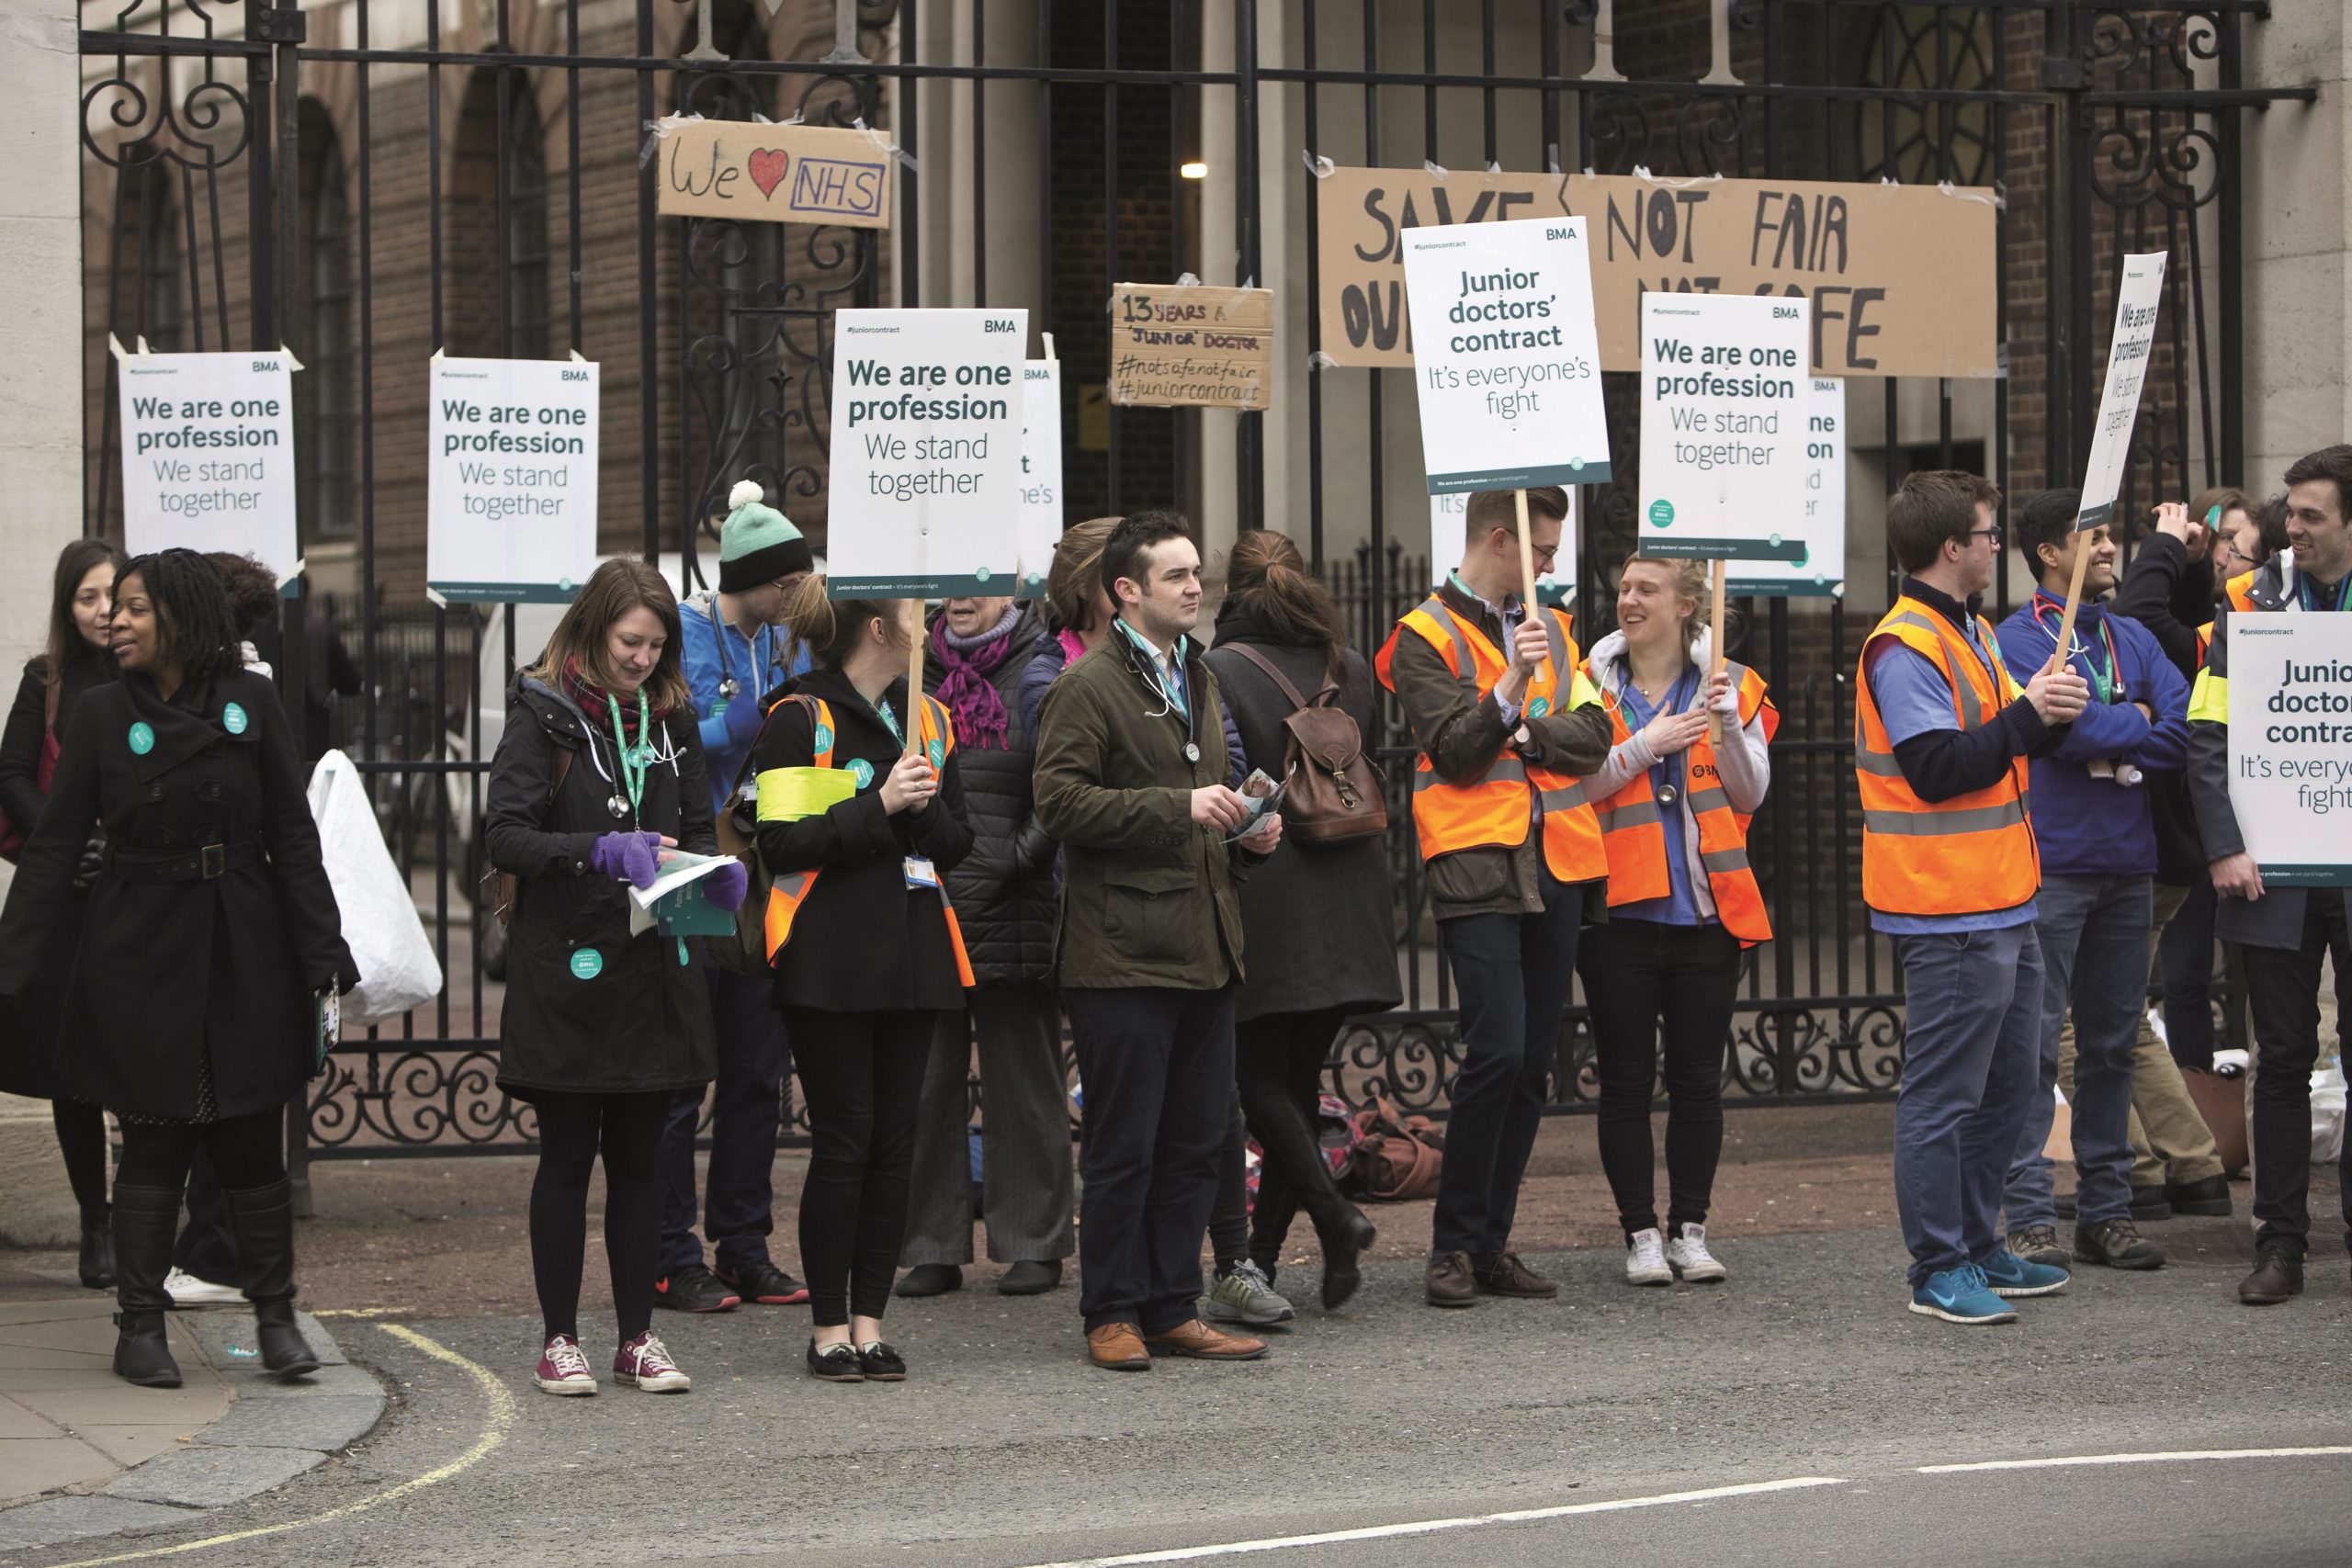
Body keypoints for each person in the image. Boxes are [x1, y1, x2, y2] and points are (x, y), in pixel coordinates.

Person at [0, 548, 354, 1388]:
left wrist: (320, 951)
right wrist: (11, 965)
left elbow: (291, 837)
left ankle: (275, 1315)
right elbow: (51, 850)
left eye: (133, 608)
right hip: (140, 945)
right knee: (154, 1139)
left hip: (239, 939)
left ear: (181, 620)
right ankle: (140, 1325)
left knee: (248, 1140)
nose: (114, 622)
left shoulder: (252, 701)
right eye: (110, 608)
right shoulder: (95, 712)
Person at [1023, 519, 1292, 1330]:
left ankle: (1174, 1306)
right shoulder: (1088, 685)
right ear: (1125, 591)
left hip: (1205, 947)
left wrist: (1246, 829)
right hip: (1121, 956)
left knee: (1195, 1143)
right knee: (1124, 1147)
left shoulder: (1198, 676)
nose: (1194, 586)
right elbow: (1059, 803)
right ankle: (1112, 1312)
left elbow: (1205, 796)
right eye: (1175, 575)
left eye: (1195, 572)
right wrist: (1178, 805)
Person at [486, 558, 738, 1396]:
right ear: (596, 631)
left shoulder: (672, 718)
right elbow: (506, 836)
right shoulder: (544, 714)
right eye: (631, 641)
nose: (642, 659)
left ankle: (638, 1337)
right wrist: (595, 850)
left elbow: (698, 826)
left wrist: (706, 876)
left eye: (657, 644)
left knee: (641, 1161)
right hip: (568, 961)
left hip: (651, 965)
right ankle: (560, 1338)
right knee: (567, 1157)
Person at [1857, 470, 2088, 1326]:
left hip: (2004, 892)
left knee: (2008, 1087)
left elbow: (1998, 743)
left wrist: (2044, 713)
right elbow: (1939, 767)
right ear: (1953, 546)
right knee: (1945, 1093)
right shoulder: (1904, 643)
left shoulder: (1972, 629)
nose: (1998, 547)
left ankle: (1978, 1243)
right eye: (1989, 535)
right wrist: (2031, 716)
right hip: (1946, 903)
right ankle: (1937, 1265)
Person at [1374, 486, 1612, 1309]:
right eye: (1543, 550)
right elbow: (1459, 749)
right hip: (1477, 863)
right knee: (1499, 1049)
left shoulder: (1561, 625)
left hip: (1560, 860)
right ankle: (1451, 1244)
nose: (1551, 566)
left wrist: (1527, 730)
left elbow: (1595, 738)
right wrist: (1512, 686)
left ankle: (1489, 1242)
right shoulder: (1421, 636)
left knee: (1532, 1065)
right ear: (1502, 539)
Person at [748, 581, 972, 1382]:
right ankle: (828, 1327)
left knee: (895, 1144)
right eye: (918, 615)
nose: (932, 625)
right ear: (882, 627)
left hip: (916, 955)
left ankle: (872, 1322)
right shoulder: (802, 718)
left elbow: (956, 841)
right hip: (831, 957)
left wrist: (918, 805)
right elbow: (783, 842)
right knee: (845, 1140)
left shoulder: (931, 719)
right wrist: (878, 801)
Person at [1993, 491, 2189, 1276]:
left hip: (2127, 863)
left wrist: (2108, 724)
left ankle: (2106, 1212)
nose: (2112, 548)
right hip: (2052, 863)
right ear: (2050, 551)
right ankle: (2031, 1215)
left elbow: (2184, 728)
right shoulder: (2011, 639)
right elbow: (2048, 729)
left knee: (2111, 1044)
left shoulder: (2132, 635)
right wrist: (2128, 718)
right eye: (2097, 536)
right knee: (2033, 1047)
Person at [1204, 529, 1397, 1310]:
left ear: (1231, 586)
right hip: (1352, 891)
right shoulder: (1346, 665)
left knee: (1257, 1080)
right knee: (1293, 1080)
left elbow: (1225, 778)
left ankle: (1332, 1213)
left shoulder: (1217, 669)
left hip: (1274, 893)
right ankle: (1275, 1259)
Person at [1576, 554, 1774, 1288]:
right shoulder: (1586, 681)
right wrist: (1642, 747)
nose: (1627, 599)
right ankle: (1640, 1234)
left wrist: (1723, 722)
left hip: (1707, 915)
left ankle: (1692, 1228)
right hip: (1617, 914)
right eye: (1623, 587)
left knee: (1697, 1079)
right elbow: (1571, 784)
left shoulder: (1732, 684)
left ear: (1687, 604)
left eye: (1645, 589)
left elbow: (1751, 794)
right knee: (1625, 1082)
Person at [2188, 445, 2352, 1306]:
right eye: (2290, 512)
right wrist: (2222, 843)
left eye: (2312, 515)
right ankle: (2280, 1244)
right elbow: (2208, 730)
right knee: (2282, 1058)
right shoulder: (2249, 599)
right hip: (2271, 869)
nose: (2292, 528)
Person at [656, 479, 814, 1314]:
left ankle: (744, 1244)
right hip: (689, 862)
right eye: (782, 581)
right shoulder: (682, 630)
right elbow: (664, 732)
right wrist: (734, 726)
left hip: (763, 867)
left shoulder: (792, 641)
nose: (793, 593)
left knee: (757, 1066)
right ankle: (671, 1249)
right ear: (744, 574)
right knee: (685, 1064)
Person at [897, 591, 1072, 1300]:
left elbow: (1064, 778)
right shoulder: (916, 667)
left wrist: (1017, 857)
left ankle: (1034, 1240)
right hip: (930, 899)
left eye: (978, 583)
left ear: (1012, 588)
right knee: (928, 1080)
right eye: (950, 588)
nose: (960, 599)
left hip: (1014, 900)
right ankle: (930, 1244)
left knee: (1025, 1079)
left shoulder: (1042, 662)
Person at [0, 539, 124, 1292]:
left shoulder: (149, 675)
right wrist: (64, 838)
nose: (104, 610)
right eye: (87, 597)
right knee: (71, 1069)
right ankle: (96, 1223)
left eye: (114, 594)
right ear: (66, 604)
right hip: (61, 900)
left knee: (136, 1061)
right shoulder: (44, 680)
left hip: (133, 893)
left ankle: (141, 1218)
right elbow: (10, 773)